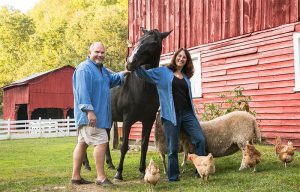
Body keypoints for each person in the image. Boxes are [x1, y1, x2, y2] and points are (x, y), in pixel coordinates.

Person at [133, 48, 206, 182]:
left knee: (200, 139)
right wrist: (134, 64)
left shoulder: (185, 77)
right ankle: (173, 177)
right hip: (170, 114)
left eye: (184, 57)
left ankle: (200, 170)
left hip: (187, 114)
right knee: (172, 147)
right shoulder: (163, 72)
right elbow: (143, 75)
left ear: (187, 61)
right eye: (179, 56)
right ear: (175, 57)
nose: (181, 59)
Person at [71, 42, 128, 186]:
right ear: (89, 52)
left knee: (82, 143)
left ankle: (76, 177)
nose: (100, 55)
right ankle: (101, 177)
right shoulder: (84, 69)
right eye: (97, 52)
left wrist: (124, 73)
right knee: (102, 141)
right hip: (91, 116)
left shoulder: (102, 70)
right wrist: (90, 112)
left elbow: (112, 80)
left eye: (102, 52)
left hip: (97, 115)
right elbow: (82, 93)